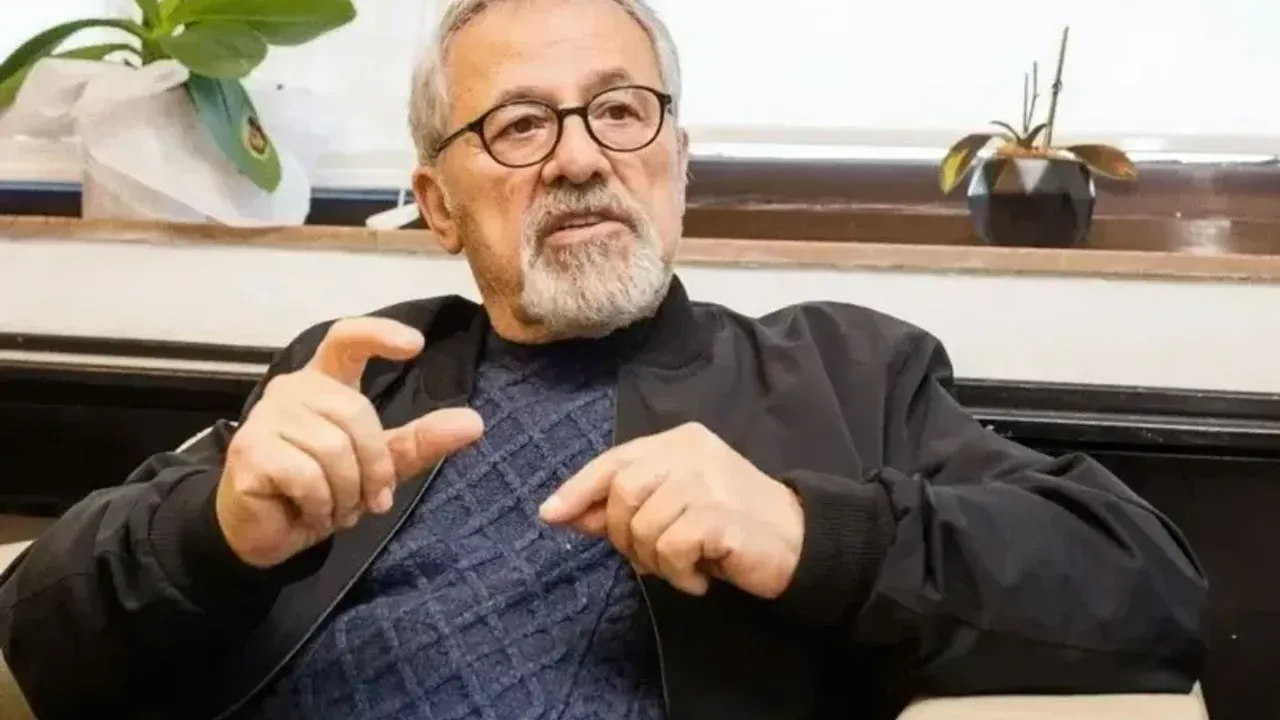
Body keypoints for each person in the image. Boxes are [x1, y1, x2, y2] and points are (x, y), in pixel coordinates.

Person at [0, 0, 1208, 718]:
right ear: (437, 202)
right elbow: (33, 639)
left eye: (621, 109)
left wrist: (809, 534)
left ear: (675, 162)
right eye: (518, 123)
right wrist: (208, 536)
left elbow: (1146, 589)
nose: (578, 157)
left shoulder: (842, 373)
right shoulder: (358, 369)